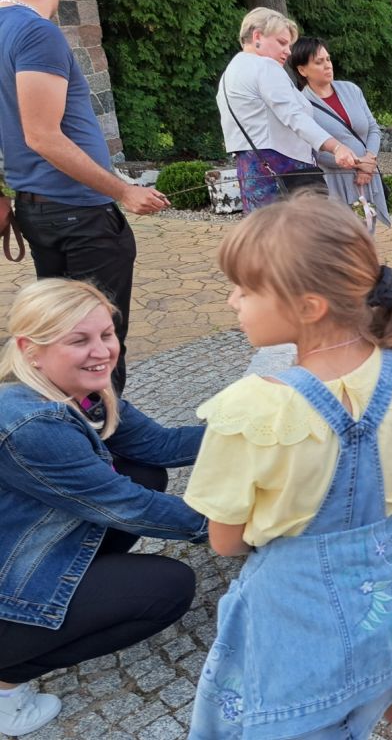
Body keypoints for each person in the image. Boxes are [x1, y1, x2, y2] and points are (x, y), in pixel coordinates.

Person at [184, 193, 392, 740]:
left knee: (304, 720)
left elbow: (225, 541)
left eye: (247, 288)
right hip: (391, 586)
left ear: (308, 307)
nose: (233, 300)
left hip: (296, 612)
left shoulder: (250, 409)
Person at [0, 279, 207, 737]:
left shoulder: (77, 386)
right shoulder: (30, 420)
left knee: (143, 470)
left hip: (20, 545)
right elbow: (127, 508)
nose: (102, 351)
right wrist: (232, 528)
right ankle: (5, 686)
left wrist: (260, 428)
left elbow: (160, 445)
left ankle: (84, 585)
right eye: (79, 340)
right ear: (29, 348)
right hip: (5, 586)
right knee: (168, 588)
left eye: (106, 334)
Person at [0, 0, 172, 394]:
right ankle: (104, 443)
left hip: (38, 212)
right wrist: (124, 191)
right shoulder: (36, 30)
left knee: (61, 342)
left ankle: (74, 436)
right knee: (96, 347)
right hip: (80, 216)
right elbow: (42, 135)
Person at [217, 7, 357, 214]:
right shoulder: (265, 67)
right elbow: (295, 117)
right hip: (285, 168)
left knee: (265, 235)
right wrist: (336, 147)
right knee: (299, 238)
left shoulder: (230, 73)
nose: (288, 51)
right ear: (257, 36)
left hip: (251, 169)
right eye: (282, 43)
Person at [289, 36, 390, 232]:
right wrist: (357, 164)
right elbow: (312, 149)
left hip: (368, 174)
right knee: (342, 238)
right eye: (319, 62)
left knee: (367, 233)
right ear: (302, 70)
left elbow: (373, 128)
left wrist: (368, 162)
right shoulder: (301, 104)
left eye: (328, 59)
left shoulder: (351, 90)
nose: (327, 65)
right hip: (336, 180)